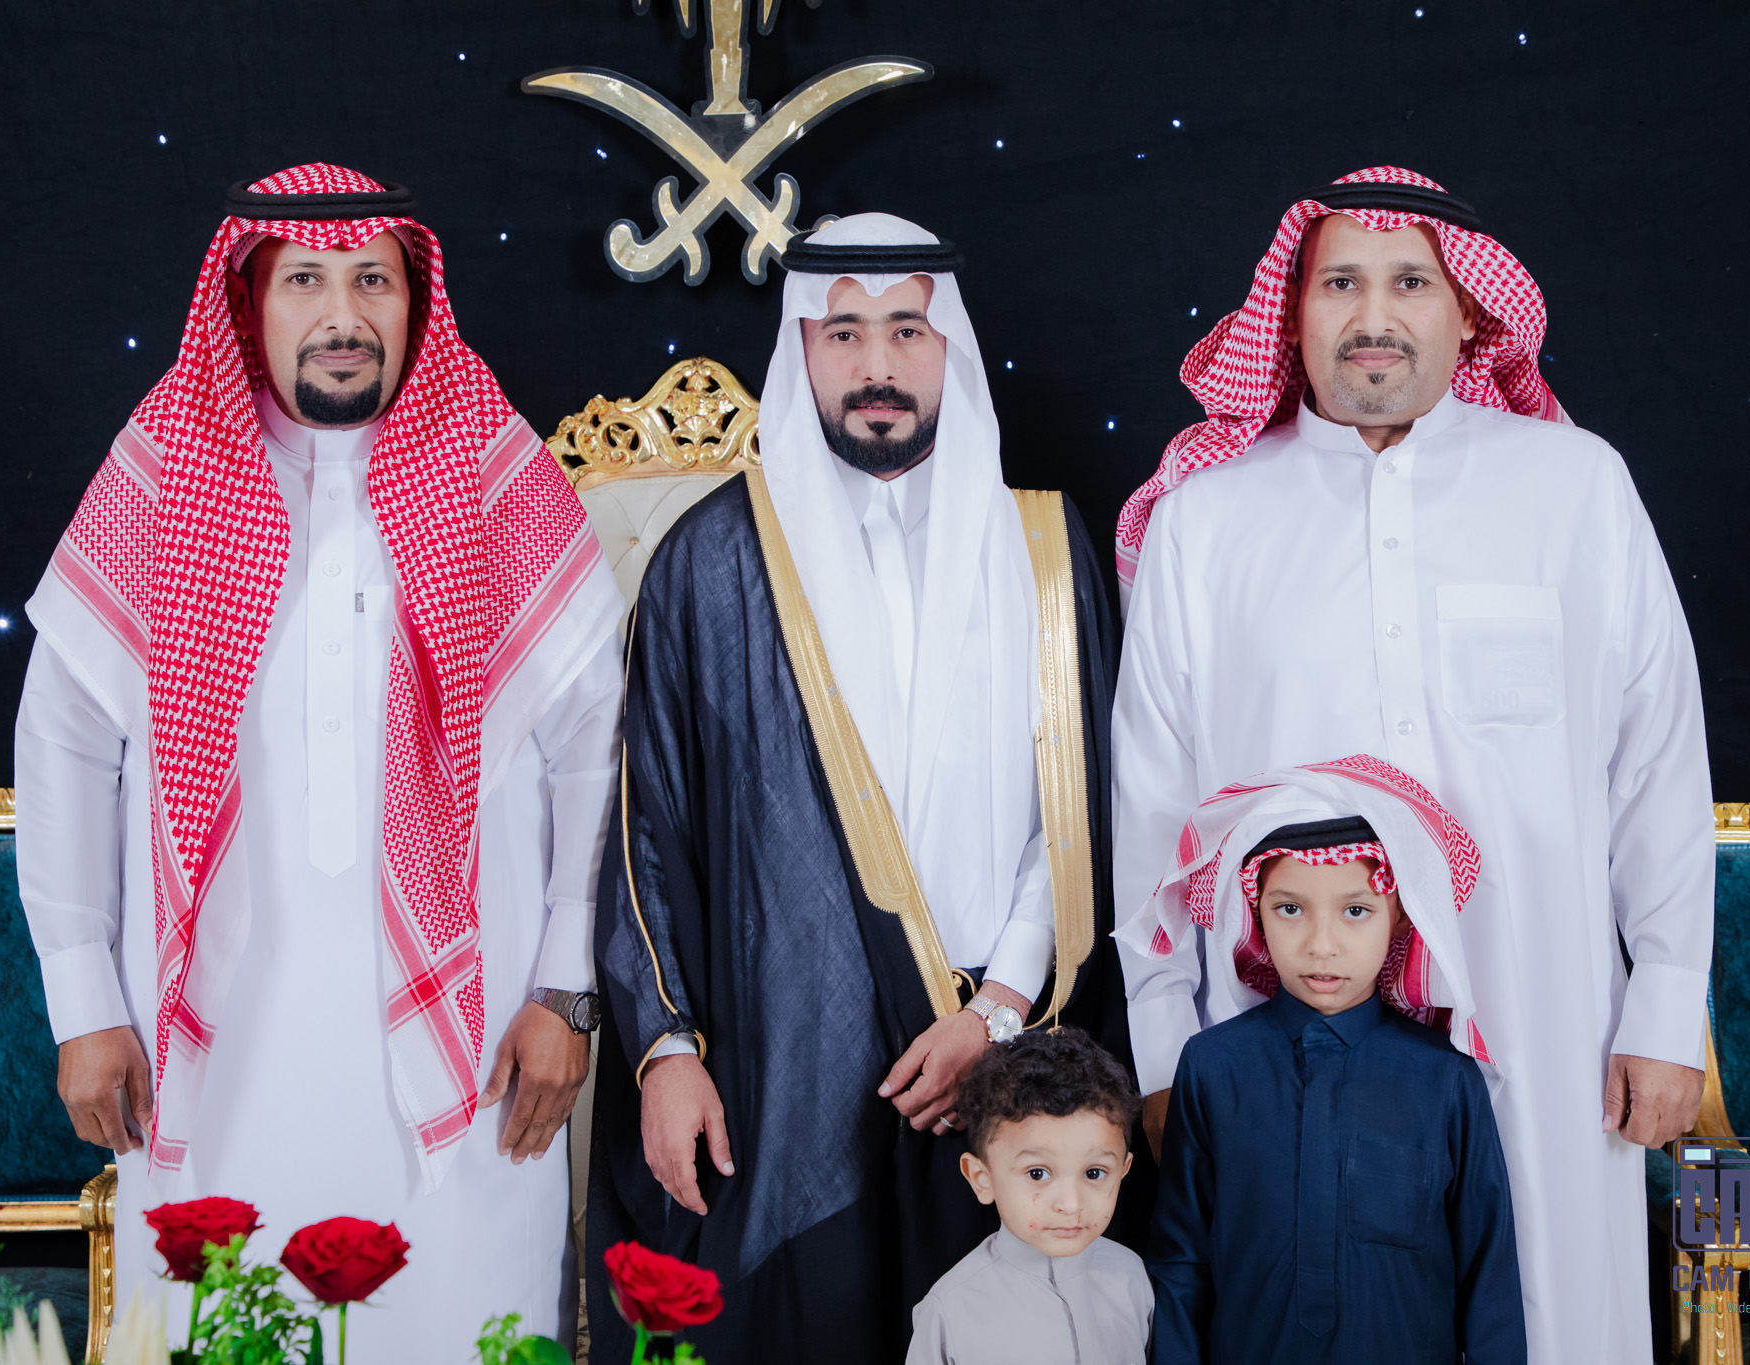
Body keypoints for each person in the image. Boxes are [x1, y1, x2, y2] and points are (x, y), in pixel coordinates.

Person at [13, 164, 623, 1359]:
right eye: (304, 281)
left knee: (463, 1325)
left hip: (476, 1054)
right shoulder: (161, 476)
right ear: (247, 304)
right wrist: (82, 1003)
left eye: (371, 282)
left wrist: (563, 989)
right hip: (210, 1051)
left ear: (412, 302)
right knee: (221, 1323)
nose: (343, 316)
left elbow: (595, 755)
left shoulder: (493, 478)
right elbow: (64, 746)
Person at [1112, 166, 1712, 1364]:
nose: (1372, 316)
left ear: (1468, 312)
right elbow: (1150, 808)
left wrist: (1661, 1005)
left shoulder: (1573, 488)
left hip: (1539, 1008)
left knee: (1548, 1308)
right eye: (1339, 283)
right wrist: (1165, 1049)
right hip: (1277, 1034)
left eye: (1409, 283)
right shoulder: (1205, 521)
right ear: (1292, 311)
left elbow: (1655, 759)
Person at [585, 213, 1132, 1363]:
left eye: (904, 330)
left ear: (950, 348)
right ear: (800, 348)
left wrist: (995, 1012)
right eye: (842, 333)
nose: (876, 363)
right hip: (779, 1060)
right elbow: (646, 829)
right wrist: (665, 1052)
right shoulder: (711, 560)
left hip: (1002, 1055)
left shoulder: (1041, 549)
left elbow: (1082, 812)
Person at [1125, 756, 1523, 1364]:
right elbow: (1182, 1261)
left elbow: (1488, 1276)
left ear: (1399, 917)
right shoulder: (1211, 1067)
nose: (1321, 945)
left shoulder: (1446, 1080)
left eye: (1355, 910)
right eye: (1290, 908)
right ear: (1256, 912)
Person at [907, 1028, 1152, 1365]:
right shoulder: (949, 1311)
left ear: (1123, 1170)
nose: (1071, 1204)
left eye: (1094, 1173)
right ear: (982, 1179)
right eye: (1038, 1174)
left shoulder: (1133, 1278)